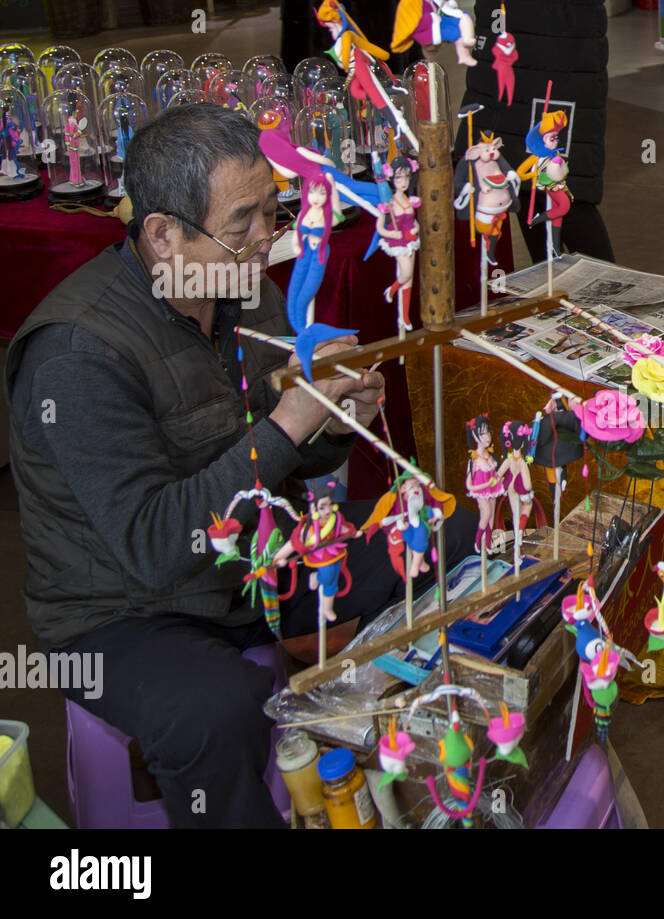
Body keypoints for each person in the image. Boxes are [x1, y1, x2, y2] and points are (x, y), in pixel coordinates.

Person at [4, 104, 476, 828]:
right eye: (242, 222)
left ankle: (385, 756)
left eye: (273, 211)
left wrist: (338, 413)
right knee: (216, 711)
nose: (266, 239)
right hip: (121, 610)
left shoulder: (235, 290)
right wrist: (291, 421)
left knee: (443, 526)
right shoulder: (76, 354)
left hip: (248, 554)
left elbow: (282, 457)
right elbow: (158, 546)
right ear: (163, 234)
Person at [454, 0, 615, 264]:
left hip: (557, 44)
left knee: (565, 187)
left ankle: (607, 296)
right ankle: (551, 290)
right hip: (506, 38)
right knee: (520, 179)